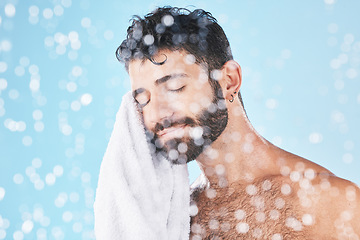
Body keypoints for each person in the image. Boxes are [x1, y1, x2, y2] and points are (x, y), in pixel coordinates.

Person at [116, 6, 360, 239]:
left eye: (174, 87)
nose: (157, 114)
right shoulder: (174, 220)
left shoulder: (327, 202)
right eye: (143, 100)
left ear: (229, 81)